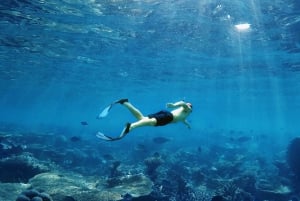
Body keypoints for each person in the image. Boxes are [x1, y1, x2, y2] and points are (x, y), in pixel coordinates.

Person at [96, 98, 193, 141]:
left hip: (166, 115)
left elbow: (183, 120)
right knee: (151, 122)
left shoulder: (185, 115)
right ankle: (131, 126)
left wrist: (187, 125)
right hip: (168, 117)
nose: (188, 106)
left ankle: (125, 103)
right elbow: (182, 103)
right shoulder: (188, 109)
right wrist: (173, 105)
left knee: (141, 118)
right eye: (189, 105)